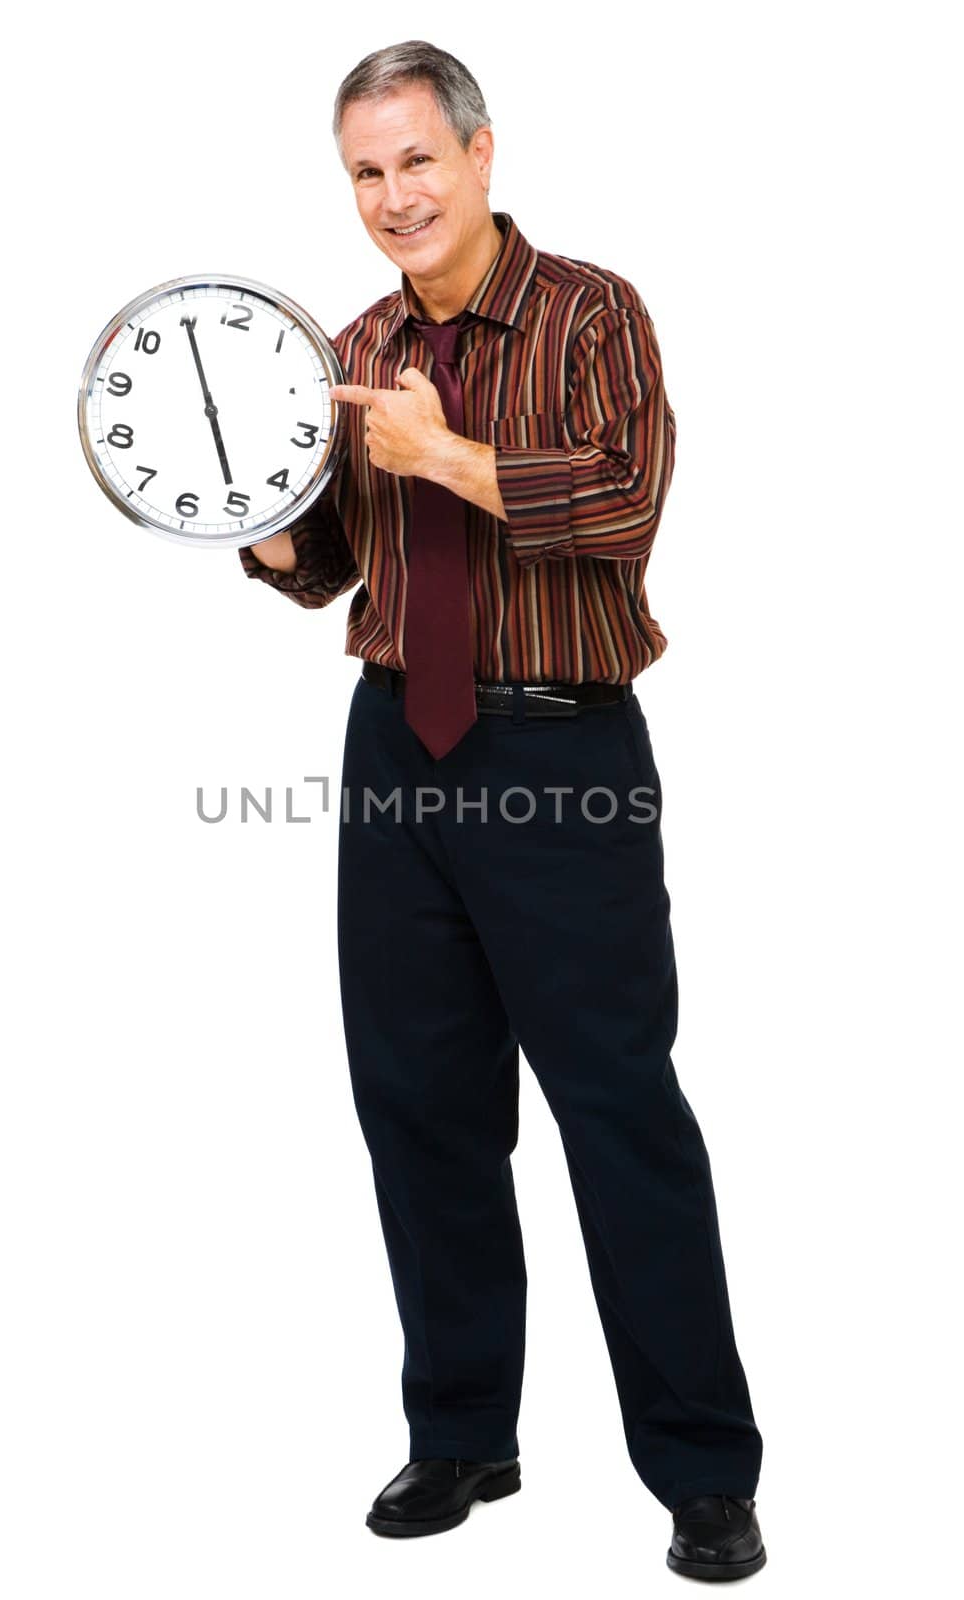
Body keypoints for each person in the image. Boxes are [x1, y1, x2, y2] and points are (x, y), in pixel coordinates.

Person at [240, 39, 767, 1581]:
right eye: (363, 171)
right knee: (420, 1108)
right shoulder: (348, 342)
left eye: (415, 159)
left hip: (564, 757)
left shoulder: (594, 309)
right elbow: (336, 559)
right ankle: (464, 1433)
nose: (392, 195)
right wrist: (275, 543)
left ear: (480, 155)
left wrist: (447, 456)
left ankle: (703, 1471)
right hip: (397, 747)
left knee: (617, 1111)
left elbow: (622, 506)